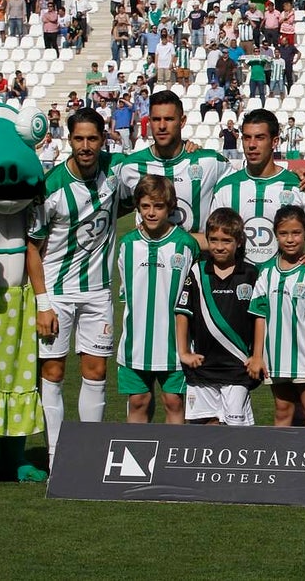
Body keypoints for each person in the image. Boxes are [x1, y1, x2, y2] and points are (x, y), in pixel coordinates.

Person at [28, 109, 125, 469]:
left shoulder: (115, 172)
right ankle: (57, 456)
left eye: (92, 139)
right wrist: (42, 303)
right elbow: (31, 247)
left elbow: (154, 169)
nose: (86, 146)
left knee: (96, 372)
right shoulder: (52, 185)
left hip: (98, 293)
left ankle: (90, 454)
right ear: (69, 140)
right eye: (79, 139)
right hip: (57, 294)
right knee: (53, 373)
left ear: (103, 139)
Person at [116, 175, 199, 424]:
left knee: (173, 401)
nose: (151, 213)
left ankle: (171, 460)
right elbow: (126, 293)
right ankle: (136, 458)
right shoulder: (127, 245)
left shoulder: (185, 245)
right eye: (145, 206)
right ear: (138, 207)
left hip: (175, 343)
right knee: (138, 401)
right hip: (136, 341)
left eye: (159, 206)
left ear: (170, 207)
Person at [247, 205, 305, 428]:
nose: (290, 239)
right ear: (275, 235)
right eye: (284, 233)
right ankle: (281, 460)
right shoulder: (266, 271)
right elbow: (259, 316)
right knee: (282, 410)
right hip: (275, 356)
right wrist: (257, 355)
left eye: (296, 233)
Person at [212, 109, 305, 268]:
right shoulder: (226, 187)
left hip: (283, 289)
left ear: (275, 142)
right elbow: (213, 238)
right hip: (239, 287)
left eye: (260, 138)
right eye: (247, 138)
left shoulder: (298, 185)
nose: (252, 145)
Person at [174, 208, 260, 426]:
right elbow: (182, 313)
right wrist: (184, 352)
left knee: (236, 432)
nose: (219, 246)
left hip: (238, 367)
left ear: (239, 241)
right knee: (203, 431)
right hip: (202, 368)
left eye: (226, 240)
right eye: (213, 240)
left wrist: (257, 355)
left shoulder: (251, 274)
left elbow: (260, 318)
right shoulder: (196, 271)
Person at [117, 90, 233, 234]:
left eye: (169, 119)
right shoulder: (131, 166)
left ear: (182, 121)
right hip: (149, 256)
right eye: (156, 119)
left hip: (199, 256)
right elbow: (114, 209)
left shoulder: (210, 162)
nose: (162, 126)